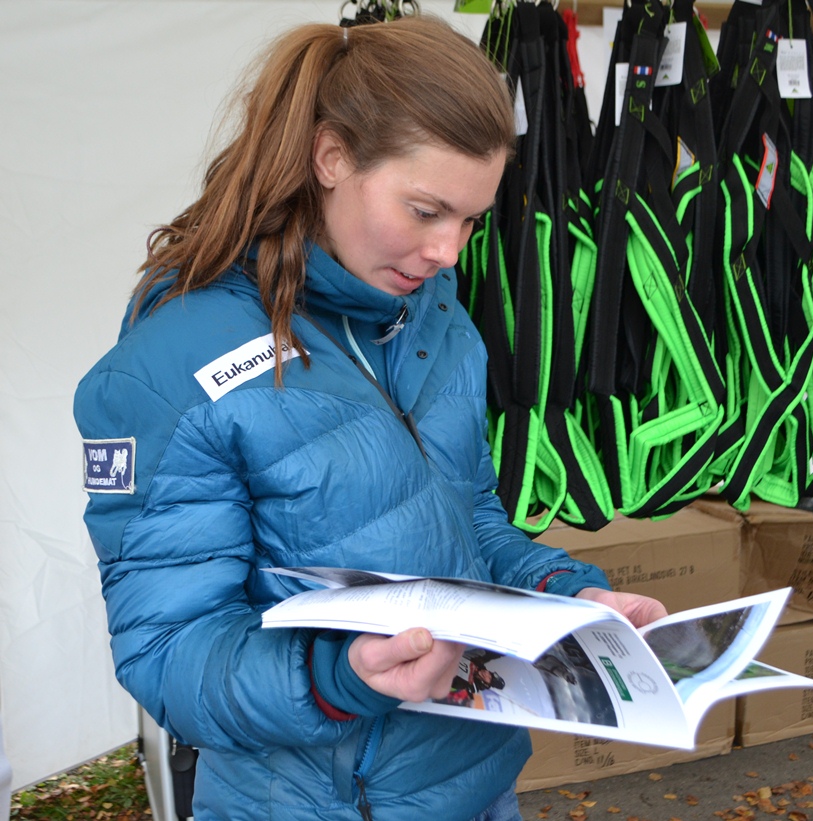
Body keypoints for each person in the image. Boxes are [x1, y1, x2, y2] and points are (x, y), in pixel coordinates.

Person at [73, 15, 666, 821]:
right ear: (330, 157)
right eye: (425, 210)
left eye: (470, 220)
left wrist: (567, 596)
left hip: (478, 783)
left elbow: (468, 523)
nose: (449, 251)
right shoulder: (169, 364)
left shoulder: (434, 314)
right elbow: (167, 649)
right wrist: (337, 678)